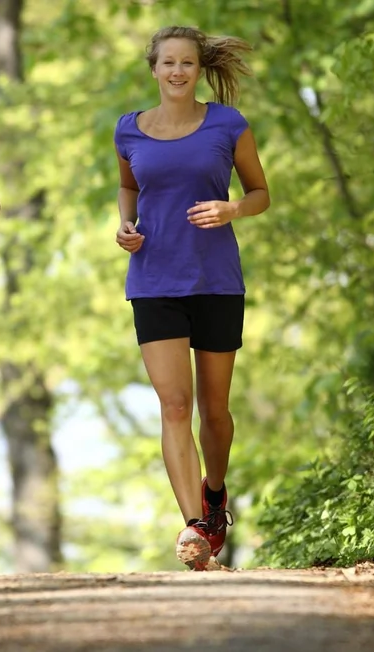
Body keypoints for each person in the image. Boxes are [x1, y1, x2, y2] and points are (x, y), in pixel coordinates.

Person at [113, 26, 270, 570]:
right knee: (174, 405)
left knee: (215, 410)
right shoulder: (128, 129)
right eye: (168, 63)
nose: (177, 71)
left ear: (199, 69)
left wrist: (231, 210)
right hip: (153, 278)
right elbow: (129, 187)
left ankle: (216, 491)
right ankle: (195, 525)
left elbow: (259, 193)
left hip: (216, 279)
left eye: (187, 63)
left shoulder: (228, 124)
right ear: (153, 69)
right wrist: (125, 224)